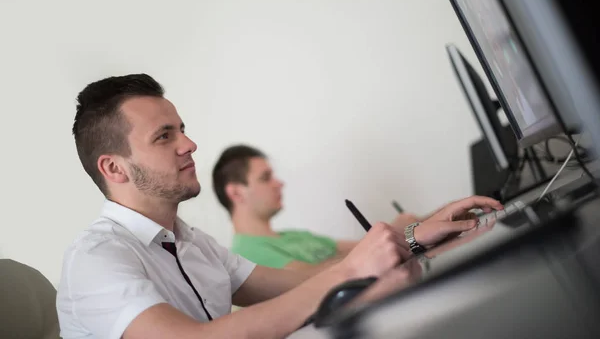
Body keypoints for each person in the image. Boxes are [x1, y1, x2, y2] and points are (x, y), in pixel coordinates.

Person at [56, 73, 502, 339]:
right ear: (114, 168)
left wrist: (413, 238)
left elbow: (298, 285)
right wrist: (352, 270)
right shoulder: (96, 259)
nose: (190, 144)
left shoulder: (192, 243)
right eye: (164, 136)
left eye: (181, 129)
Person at [213, 145, 495, 275]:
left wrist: (436, 216)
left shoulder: (290, 237)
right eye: (265, 178)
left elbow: (366, 247)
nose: (279, 183)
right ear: (236, 192)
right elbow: (320, 280)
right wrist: (407, 232)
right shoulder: (248, 254)